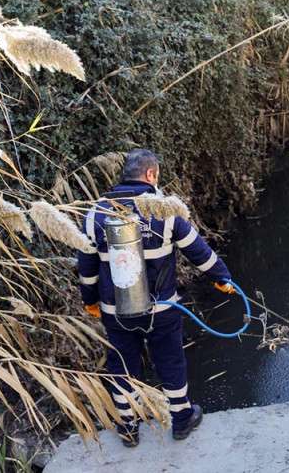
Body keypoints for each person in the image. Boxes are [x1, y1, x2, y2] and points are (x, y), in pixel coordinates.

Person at [76, 149, 238, 447]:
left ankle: (128, 428)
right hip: (162, 309)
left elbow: (86, 269)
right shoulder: (165, 211)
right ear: (150, 174)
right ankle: (181, 420)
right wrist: (222, 278)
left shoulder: (95, 214)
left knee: (122, 366)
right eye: (157, 175)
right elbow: (199, 252)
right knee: (170, 361)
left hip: (115, 311)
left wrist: (90, 301)